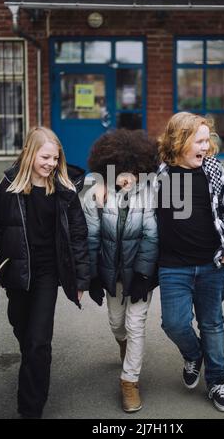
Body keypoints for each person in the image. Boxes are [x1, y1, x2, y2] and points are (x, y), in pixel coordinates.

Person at [0, 127, 90, 419]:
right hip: (16, 274)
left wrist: (81, 278)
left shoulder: (65, 191)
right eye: (45, 157)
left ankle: (30, 409)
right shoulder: (7, 187)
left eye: (55, 159)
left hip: (48, 274)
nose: (50, 164)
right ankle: (33, 363)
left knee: (38, 341)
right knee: (22, 329)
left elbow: (79, 236)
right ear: (31, 154)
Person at [157, 112, 224, 412]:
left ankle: (218, 381)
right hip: (172, 267)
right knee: (174, 323)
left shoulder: (214, 171)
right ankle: (193, 355)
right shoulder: (161, 176)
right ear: (179, 142)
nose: (206, 147)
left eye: (208, 140)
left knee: (212, 324)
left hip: (211, 265)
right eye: (200, 141)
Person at [83, 129, 158, 413]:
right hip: (110, 273)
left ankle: (129, 381)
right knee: (117, 323)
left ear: (143, 170)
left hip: (140, 273)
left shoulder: (150, 193)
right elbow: (91, 237)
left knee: (135, 323)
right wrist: (91, 275)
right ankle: (123, 344)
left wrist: (143, 276)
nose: (127, 176)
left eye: (134, 170)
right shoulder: (97, 195)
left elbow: (152, 236)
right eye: (120, 170)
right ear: (107, 169)